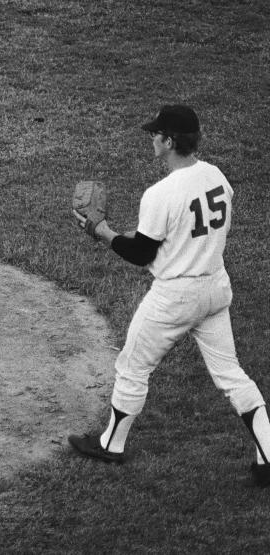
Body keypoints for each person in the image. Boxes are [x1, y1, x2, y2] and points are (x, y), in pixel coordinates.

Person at [69, 105, 270, 487]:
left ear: (170, 142)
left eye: (157, 134)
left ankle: (111, 444)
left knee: (132, 365)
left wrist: (103, 231)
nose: (153, 138)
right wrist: (131, 234)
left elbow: (142, 254)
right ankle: (269, 456)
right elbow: (181, 234)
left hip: (175, 297)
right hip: (214, 287)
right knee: (231, 374)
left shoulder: (160, 193)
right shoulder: (216, 176)